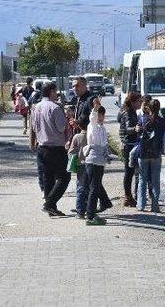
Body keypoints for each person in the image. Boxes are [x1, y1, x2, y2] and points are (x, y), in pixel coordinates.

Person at [71, 76, 112, 212]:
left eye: (77, 86)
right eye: (73, 86)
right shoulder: (78, 99)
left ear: (84, 86)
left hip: (88, 141)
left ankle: (85, 209)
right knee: (91, 177)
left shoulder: (89, 100)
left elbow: (91, 119)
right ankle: (102, 202)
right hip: (80, 137)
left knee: (86, 177)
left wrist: (78, 121)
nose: (74, 88)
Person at [30, 82, 70, 216]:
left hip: (42, 147)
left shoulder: (36, 107)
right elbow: (61, 127)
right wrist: (67, 117)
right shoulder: (55, 108)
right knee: (64, 177)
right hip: (56, 148)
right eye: (56, 91)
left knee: (48, 178)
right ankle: (49, 204)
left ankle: (50, 207)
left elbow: (34, 127)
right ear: (52, 92)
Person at [82, 97, 110, 225]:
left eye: (102, 116)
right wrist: (95, 107)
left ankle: (92, 212)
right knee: (94, 188)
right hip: (93, 160)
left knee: (95, 187)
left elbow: (104, 144)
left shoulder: (102, 128)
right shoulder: (92, 125)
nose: (100, 118)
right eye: (99, 115)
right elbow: (92, 118)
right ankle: (90, 215)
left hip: (100, 161)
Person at [137, 99, 165, 212]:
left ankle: (141, 205)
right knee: (155, 181)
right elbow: (164, 136)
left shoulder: (143, 120)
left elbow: (138, 133)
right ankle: (155, 206)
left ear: (149, 108)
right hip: (156, 153)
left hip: (143, 152)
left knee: (142, 179)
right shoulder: (163, 121)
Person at [117, 92, 142, 207]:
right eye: (139, 101)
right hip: (129, 145)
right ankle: (128, 197)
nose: (140, 103)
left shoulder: (131, 112)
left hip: (130, 144)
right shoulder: (128, 113)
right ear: (133, 102)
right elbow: (127, 129)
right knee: (129, 171)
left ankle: (130, 196)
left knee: (131, 171)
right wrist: (135, 129)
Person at [68, 119, 89, 219]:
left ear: (79, 126)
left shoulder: (77, 137)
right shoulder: (92, 136)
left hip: (81, 164)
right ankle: (90, 209)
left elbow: (71, 151)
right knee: (90, 187)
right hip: (92, 164)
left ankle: (80, 211)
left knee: (80, 187)